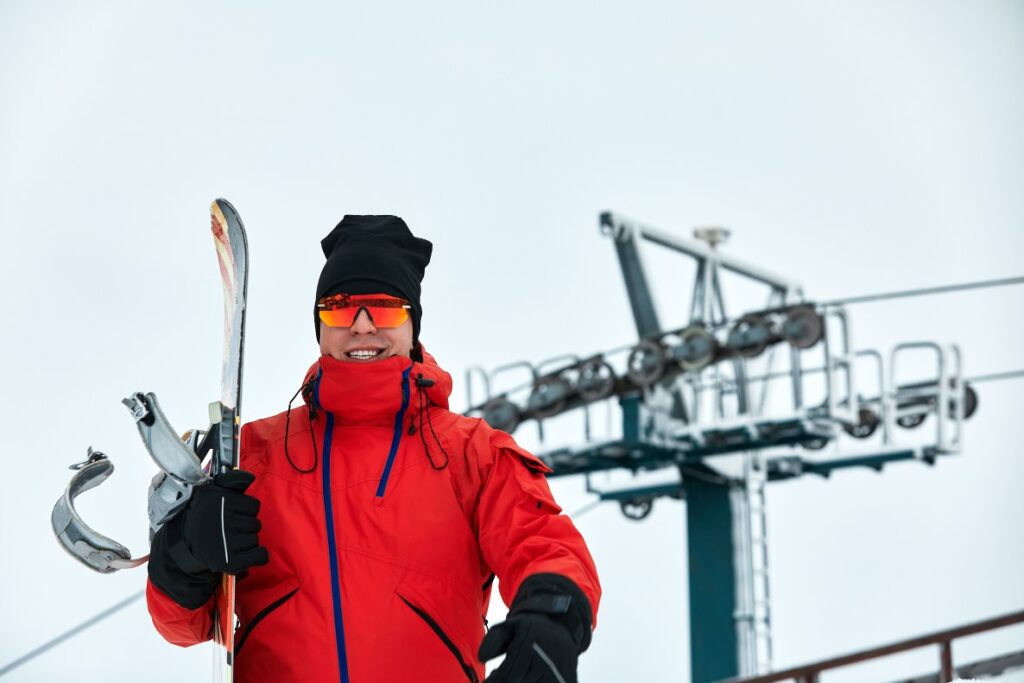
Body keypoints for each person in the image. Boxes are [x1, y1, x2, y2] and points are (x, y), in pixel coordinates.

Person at [145, 215, 601, 682]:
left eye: (384, 309)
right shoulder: (255, 454)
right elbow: (182, 625)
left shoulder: (474, 454)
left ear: (412, 326)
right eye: (340, 309)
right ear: (320, 326)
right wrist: (184, 553)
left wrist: (553, 617)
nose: (362, 327)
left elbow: (543, 544)